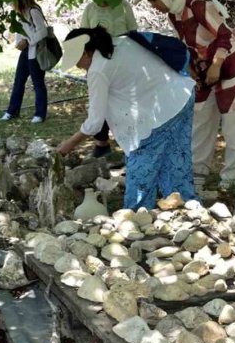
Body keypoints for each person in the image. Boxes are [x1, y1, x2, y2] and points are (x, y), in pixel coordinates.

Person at [55, 27, 197, 209]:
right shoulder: (120, 42)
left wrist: (68, 145)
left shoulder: (98, 70)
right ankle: (187, 210)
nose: (78, 66)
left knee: (141, 169)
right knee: (176, 159)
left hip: (159, 113)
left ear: (86, 52)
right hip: (181, 96)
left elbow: (95, 122)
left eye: (77, 60)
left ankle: (137, 218)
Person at [137, 0, 235, 193]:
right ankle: (197, 173)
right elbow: (186, 45)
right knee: (200, 119)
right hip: (204, 70)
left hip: (230, 66)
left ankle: (231, 178)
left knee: (232, 124)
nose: (153, 6)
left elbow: (224, 35)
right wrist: (192, 69)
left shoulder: (197, 3)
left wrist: (216, 66)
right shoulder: (174, 13)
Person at [78, 0, 139, 157]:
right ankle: (101, 143)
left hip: (123, 63)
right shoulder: (90, 9)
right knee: (99, 102)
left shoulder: (124, 7)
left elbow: (134, 33)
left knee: (126, 102)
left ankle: (132, 142)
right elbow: (83, 37)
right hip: (99, 63)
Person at [0, 0, 49, 123]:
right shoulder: (20, 12)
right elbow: (21, 31)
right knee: (18, 82)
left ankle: (40, 114)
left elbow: (43, 32)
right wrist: (19, 42)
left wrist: (28, 42)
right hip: (26, 52)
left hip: (36, 51)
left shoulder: (33, 11)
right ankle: (12, 111)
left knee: (38, 83)